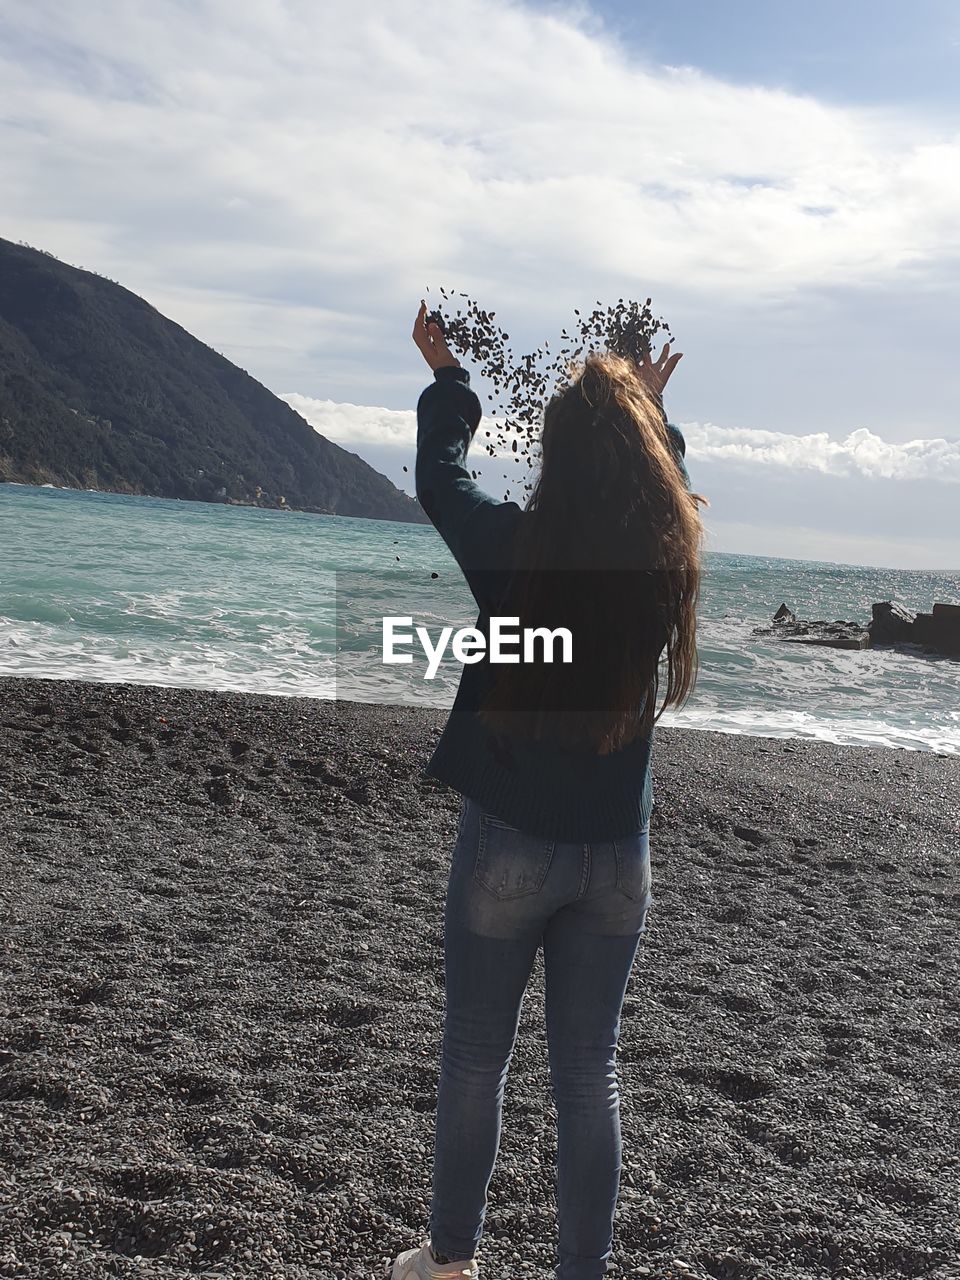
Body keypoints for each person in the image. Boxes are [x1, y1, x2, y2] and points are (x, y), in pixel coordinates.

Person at [389, 302, 707, 1280]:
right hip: (619, 854)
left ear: (557, 453)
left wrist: (451, 384)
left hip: (512, 844)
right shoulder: (665, 565)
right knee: (587, 1075)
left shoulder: (517, 552)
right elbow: (674, 495)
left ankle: (450, 1263)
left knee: (477, 1057)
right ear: (643, 456)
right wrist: (657, 414)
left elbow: (440, 479)